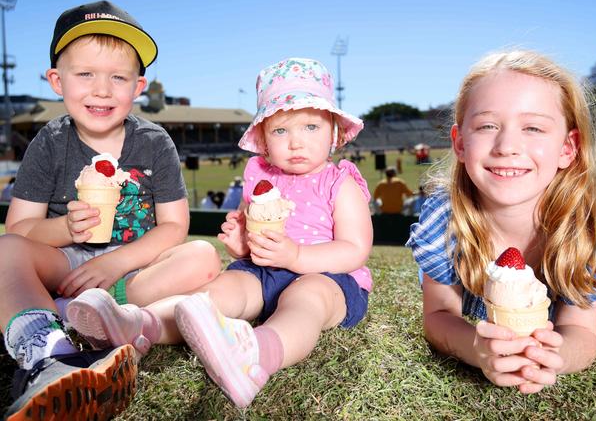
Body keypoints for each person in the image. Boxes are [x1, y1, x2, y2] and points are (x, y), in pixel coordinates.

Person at [64, 57, 373, 408]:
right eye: (281, 131)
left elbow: (355, 248)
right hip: (264, 273)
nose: (296, 142)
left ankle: (256, 355)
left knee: (306, 299)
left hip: (328, 278)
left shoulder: (340, 181)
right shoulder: (261, 176)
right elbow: (249, 243)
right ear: (264, 140)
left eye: (311, 128)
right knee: (213, 295)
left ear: (334, 132)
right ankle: (139, 324)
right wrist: (241, 246)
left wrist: (298, 257)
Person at [0, 0, 221, 420]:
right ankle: (50, 354)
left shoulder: (154, 142)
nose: (102, 90)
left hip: (134, 273)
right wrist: (65, 227)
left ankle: (95, 314)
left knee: (203, 256)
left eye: (118, 78)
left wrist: (117, 262)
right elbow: (20, 228)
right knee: (4, 252)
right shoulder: (49, 142)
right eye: (85, 74)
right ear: (56, 80)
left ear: (138, 87)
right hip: (66, 266)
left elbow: (174, 226)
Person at [407, 49, 596, 395]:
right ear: (459, 144)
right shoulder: (445, 222)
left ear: (568, 148)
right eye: (487, 126)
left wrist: (552, 356)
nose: (507, 146)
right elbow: (439, 318)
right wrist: (478, 349)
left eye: (533, 127)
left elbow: (582, 332)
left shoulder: (590, 230)